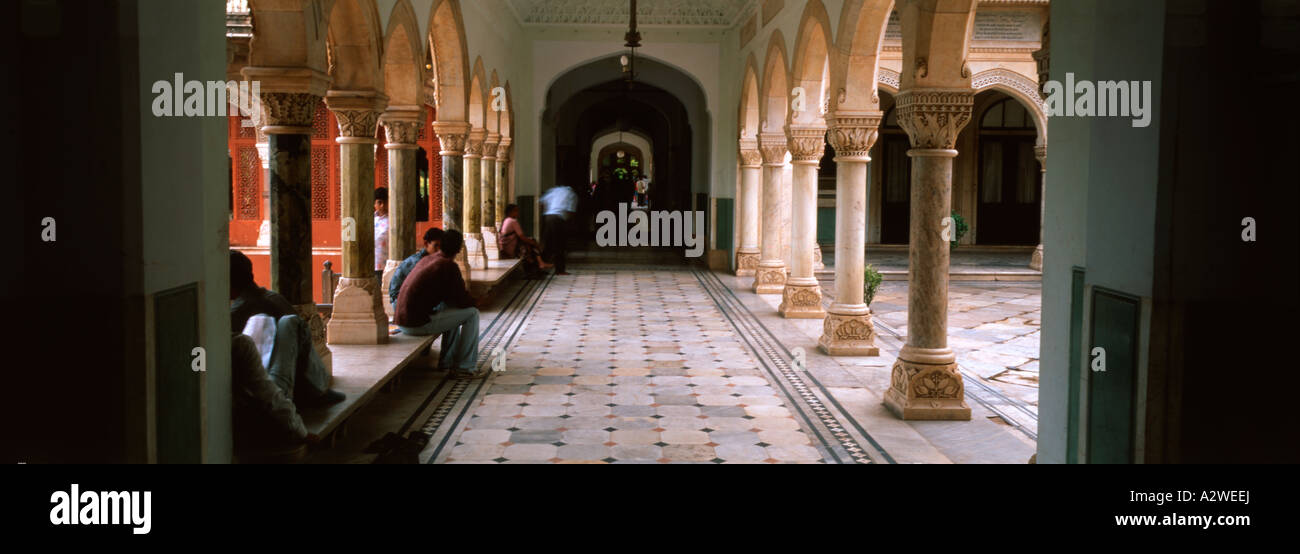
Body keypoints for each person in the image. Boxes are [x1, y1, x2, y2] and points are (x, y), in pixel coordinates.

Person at [230, 250, 344, 407]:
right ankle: (318, 390)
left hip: (276, 388)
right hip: (287, 384)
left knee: (291, 323)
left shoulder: (239, 311)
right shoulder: (275, 298)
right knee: (292, 323)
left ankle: (314, 392)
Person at [393, 230, 485, 378]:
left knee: (452, 311)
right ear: (459, 249)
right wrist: (477, 302)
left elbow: (453, 299)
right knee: (472, 314)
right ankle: (464, 367)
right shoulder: (447, 265)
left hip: (403, 321)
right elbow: (462, 300)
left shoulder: (429, 259)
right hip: (416, 324)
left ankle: (447, 363)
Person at [231, 332, 319, 455]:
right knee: (290, 322)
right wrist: (301, 431)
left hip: (248, 407)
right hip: (261, 419)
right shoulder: (239, 343)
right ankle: (320, 388)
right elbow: (269, 395)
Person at [389, 227, 443, 306]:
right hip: (400, 301)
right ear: (426, 244)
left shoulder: (432, 259)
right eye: (436, 246)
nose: (439, 250)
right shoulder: (417, 262)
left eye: (441, 247)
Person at [498, 203, 551, 277]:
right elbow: (522, 237)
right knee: (531, 244)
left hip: (505, 247)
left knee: (530, 243)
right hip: (510, 248)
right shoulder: (513, 221)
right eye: (516, 211)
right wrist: (535, 243)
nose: (517, 212)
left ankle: (539, 264)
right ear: (510, 212)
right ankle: (540, 263)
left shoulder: (506, 220)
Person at [540, 184, 578, 275]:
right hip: (558, 219)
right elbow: (570, 211)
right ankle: (560, 270)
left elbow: (542, 202)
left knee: (548, 243)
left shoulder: (554, 190)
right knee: (560, 245)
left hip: (548, 217)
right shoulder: (571, 194)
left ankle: (541, 266)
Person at [374, 186, 389, 281]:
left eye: (385, 202)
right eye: (379, 202)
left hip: (387, 266)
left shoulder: (392, 220)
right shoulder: (369, 220)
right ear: (374, 204)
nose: (382, 205)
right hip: (371, 265)